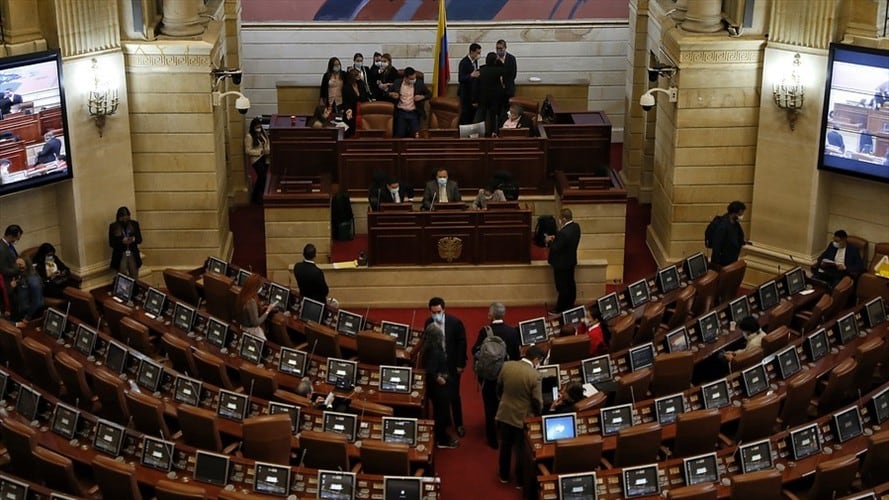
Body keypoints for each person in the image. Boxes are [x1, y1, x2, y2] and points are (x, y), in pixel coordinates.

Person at [472, 302, 521, 449]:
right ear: (504, 314)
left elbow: (475, 350)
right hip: (507, 375)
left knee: (490, 408)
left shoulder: (485, 331)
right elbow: (516, 355)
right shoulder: (513, 331)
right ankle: (507, 435)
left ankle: (492, 439)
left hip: (489, 377)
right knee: (507, 405)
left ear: (490, 315)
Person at [496, 345, 544, 486]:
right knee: (520, 450)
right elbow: (537, 401)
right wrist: (538, 414)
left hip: (505, 413)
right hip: (522, 418)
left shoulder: (507, 366)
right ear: (536, 359)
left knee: (505, 446)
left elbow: (499, 388)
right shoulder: (535, 375)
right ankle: (519, 481)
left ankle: (503, 475)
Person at [424, 297, 468, 438]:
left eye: (439, 311)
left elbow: (462, 344)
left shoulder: (455, 323)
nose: (436, 315)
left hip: (452, 365)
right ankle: (445, 421)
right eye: (433, 312)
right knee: (440, 396)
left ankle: (459, 424)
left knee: (454, 396)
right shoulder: (428, 323)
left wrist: (460, 364)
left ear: (444, 309)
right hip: (438, 365)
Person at [422, 323, 459, 448]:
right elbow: (430, 370)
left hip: (435, 388)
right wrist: (439, 379)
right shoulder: (435, 351)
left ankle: (441, 435)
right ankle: (441, 439)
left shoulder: (428, 347)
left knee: (440, 412)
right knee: (441, 414)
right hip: (439, 389)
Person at [546, 208, 581, 313]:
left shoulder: (563, 233)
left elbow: (556, 247)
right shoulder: (576, 227)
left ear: (564, 219)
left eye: (560, 218)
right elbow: (565, 242)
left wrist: (549, 241)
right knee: (570, 284)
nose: (559, 220)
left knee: (562, 287)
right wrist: (556, 238)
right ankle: (570, 305)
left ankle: (560, 308)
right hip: (570, 261)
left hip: (561, 264)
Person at [389, 67, 431, 138]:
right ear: (405, 78)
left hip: (413, 113)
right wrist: (391, 94)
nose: (414, 80)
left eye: (414, 78)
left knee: (416, 135)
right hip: (401, 112)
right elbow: (387, 93)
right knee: (399, 134)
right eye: (411, 79)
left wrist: (422, 97)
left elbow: (429, 94)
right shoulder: (397, 82)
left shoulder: (419, 83)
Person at [473, 52, 505, 137]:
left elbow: (475, 87)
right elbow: (504, 69)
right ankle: (493, 133)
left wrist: (474, 99)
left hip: (482, 98)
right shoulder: (498, 70)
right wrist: (500, 61)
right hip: (495, 99)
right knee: (493, 117)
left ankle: (478, 135)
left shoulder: (480, 70)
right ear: (495, 61)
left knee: (480, 117)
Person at [236, 272, 274, 340]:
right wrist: (268, 310)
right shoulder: (251, 302)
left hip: (242, 327)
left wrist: (260, 308)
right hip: (252, 332)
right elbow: (256, 323)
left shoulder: (242, 294)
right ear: (256, 287)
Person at [709, 201, 747, 269]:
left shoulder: (735, 223)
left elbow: (739, 237)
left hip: (731, 259)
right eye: (740, 213)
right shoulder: (722, 226)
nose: (742, 215)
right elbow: (716, 246)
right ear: (734, 213)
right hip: (721, 263)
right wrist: (716, 265)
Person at [108, 207, 142, 277]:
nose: (125, 218)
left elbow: (139, 239)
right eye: (123, 217)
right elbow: (112, 243)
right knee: (122, 276)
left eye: (127, 216)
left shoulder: (134, 224)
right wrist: (122, 241)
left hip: (132, 253)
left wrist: (133, 239)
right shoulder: (114, 226)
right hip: (121, 254)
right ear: (119, 217)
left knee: (134, 274)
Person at [9, 256, 43, 325]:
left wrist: (27, 317)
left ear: (27, 265)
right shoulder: (21, 274)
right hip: (20, 310)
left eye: (20, 265)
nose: (18, 267)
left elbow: (37, 302)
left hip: (29, 313)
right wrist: (14, 285)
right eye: (17, 264)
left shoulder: (33, 280)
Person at [245, 117, 270, 205]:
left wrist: (267, 150)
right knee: (262, 176)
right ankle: (259, 196)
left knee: (262, 178)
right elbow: (248, 150)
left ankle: (257, 196)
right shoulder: (249, 136)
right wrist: (259, 152)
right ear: (253, 127)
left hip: (265, 157)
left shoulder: (263, 133)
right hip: (256, 159)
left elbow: (267, 142)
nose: (259, 129)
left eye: (259, 126)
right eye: (257, 127)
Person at [457, 43, 482, 125]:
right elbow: (461, 78)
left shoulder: (475, 61)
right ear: (472, 52)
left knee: (472, 116)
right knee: (465, 116)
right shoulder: (464, 62)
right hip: (465, 94)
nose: (479, 55)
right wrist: (471, 75)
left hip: (473, 93)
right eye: (477, 53)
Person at [342, 68, 369, 137]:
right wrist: (348, 110)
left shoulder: (361, 84)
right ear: (352, 77)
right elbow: (346, 101)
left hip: (361, 109)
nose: (359, 77)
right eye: (357, 76)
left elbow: (365, 97)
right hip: (351, 109)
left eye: (359, 75)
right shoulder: (346, 87)